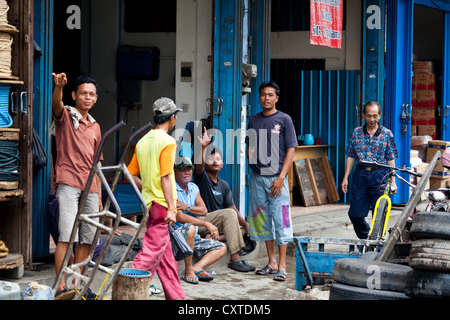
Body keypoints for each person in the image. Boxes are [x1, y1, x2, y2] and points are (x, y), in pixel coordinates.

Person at [127, 97, 186, 300]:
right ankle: (127, 289)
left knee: (166, 258)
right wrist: (172, 208)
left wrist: (148, 187)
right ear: (173, 118)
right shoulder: (168, 141)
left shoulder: (142, 141)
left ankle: (177, 297)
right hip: (161, 205)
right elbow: (166, 176)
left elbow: (130, 174)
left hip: (148, 204)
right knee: (150, 253)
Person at [51, 73, 103, 299]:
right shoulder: (65, 116)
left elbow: (97, 164)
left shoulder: (95, 126)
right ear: (75, 95)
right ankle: (61, 285)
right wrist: (58, 88)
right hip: (69, 183)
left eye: (91, 94)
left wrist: (100, 197)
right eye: (83, 93)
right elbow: (56, 105)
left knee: (87, 238)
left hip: (91, 186)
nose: (87, 97)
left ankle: (75, 283)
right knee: (66, 236)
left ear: (96, 98)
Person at [246, 80, 297, 282]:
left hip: (277, 179)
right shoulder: (254, 119)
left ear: (277, 98)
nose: (266, 98)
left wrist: (281, 176)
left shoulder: (284, 119)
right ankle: (271, 262)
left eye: (270, 95)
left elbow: (291, 149)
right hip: (258, 179)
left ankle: (282, 266)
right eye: (263, 95)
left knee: (281, 220)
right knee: (263, 219)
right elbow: (249, 145)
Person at [194, 129, 255, 272]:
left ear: (222, 164)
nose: (215, 162)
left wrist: (246, 224)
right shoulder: (202, 178)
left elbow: (233, 208)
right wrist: (203, 147)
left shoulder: (224, 185)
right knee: (229, 216)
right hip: (203, 221)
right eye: (211, 159)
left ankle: (215, 238)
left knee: (243, 228)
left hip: (217, 225)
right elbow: (198, 167)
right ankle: (235, 258)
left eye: (218, 159)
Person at [341, 101, 398, 239]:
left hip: (380, 175)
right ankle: (367, 238)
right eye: (368, 116)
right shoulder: (356, 133)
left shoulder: (387, 134)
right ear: (363, 115)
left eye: (374, 116)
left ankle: (376, 247)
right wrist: (345, 177)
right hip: (360, 175)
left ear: (380, 115)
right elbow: (350, 156)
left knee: (379, 215)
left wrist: (393, 181)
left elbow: (390, 159)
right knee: (355, 214)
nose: (371, 119)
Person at [174, 156, 227, 284]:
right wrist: (205, 223)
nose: (187, 173)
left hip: (194, 237)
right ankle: (188, 271)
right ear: (174, 172)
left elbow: (203, 210)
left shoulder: (193, 188)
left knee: (221, 247)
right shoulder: (171, 189)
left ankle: (196, 267)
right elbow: (179, 217)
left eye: (189, 169)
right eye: (182, 170)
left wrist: (186, 206)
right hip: (176, 236)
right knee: (190, 228)